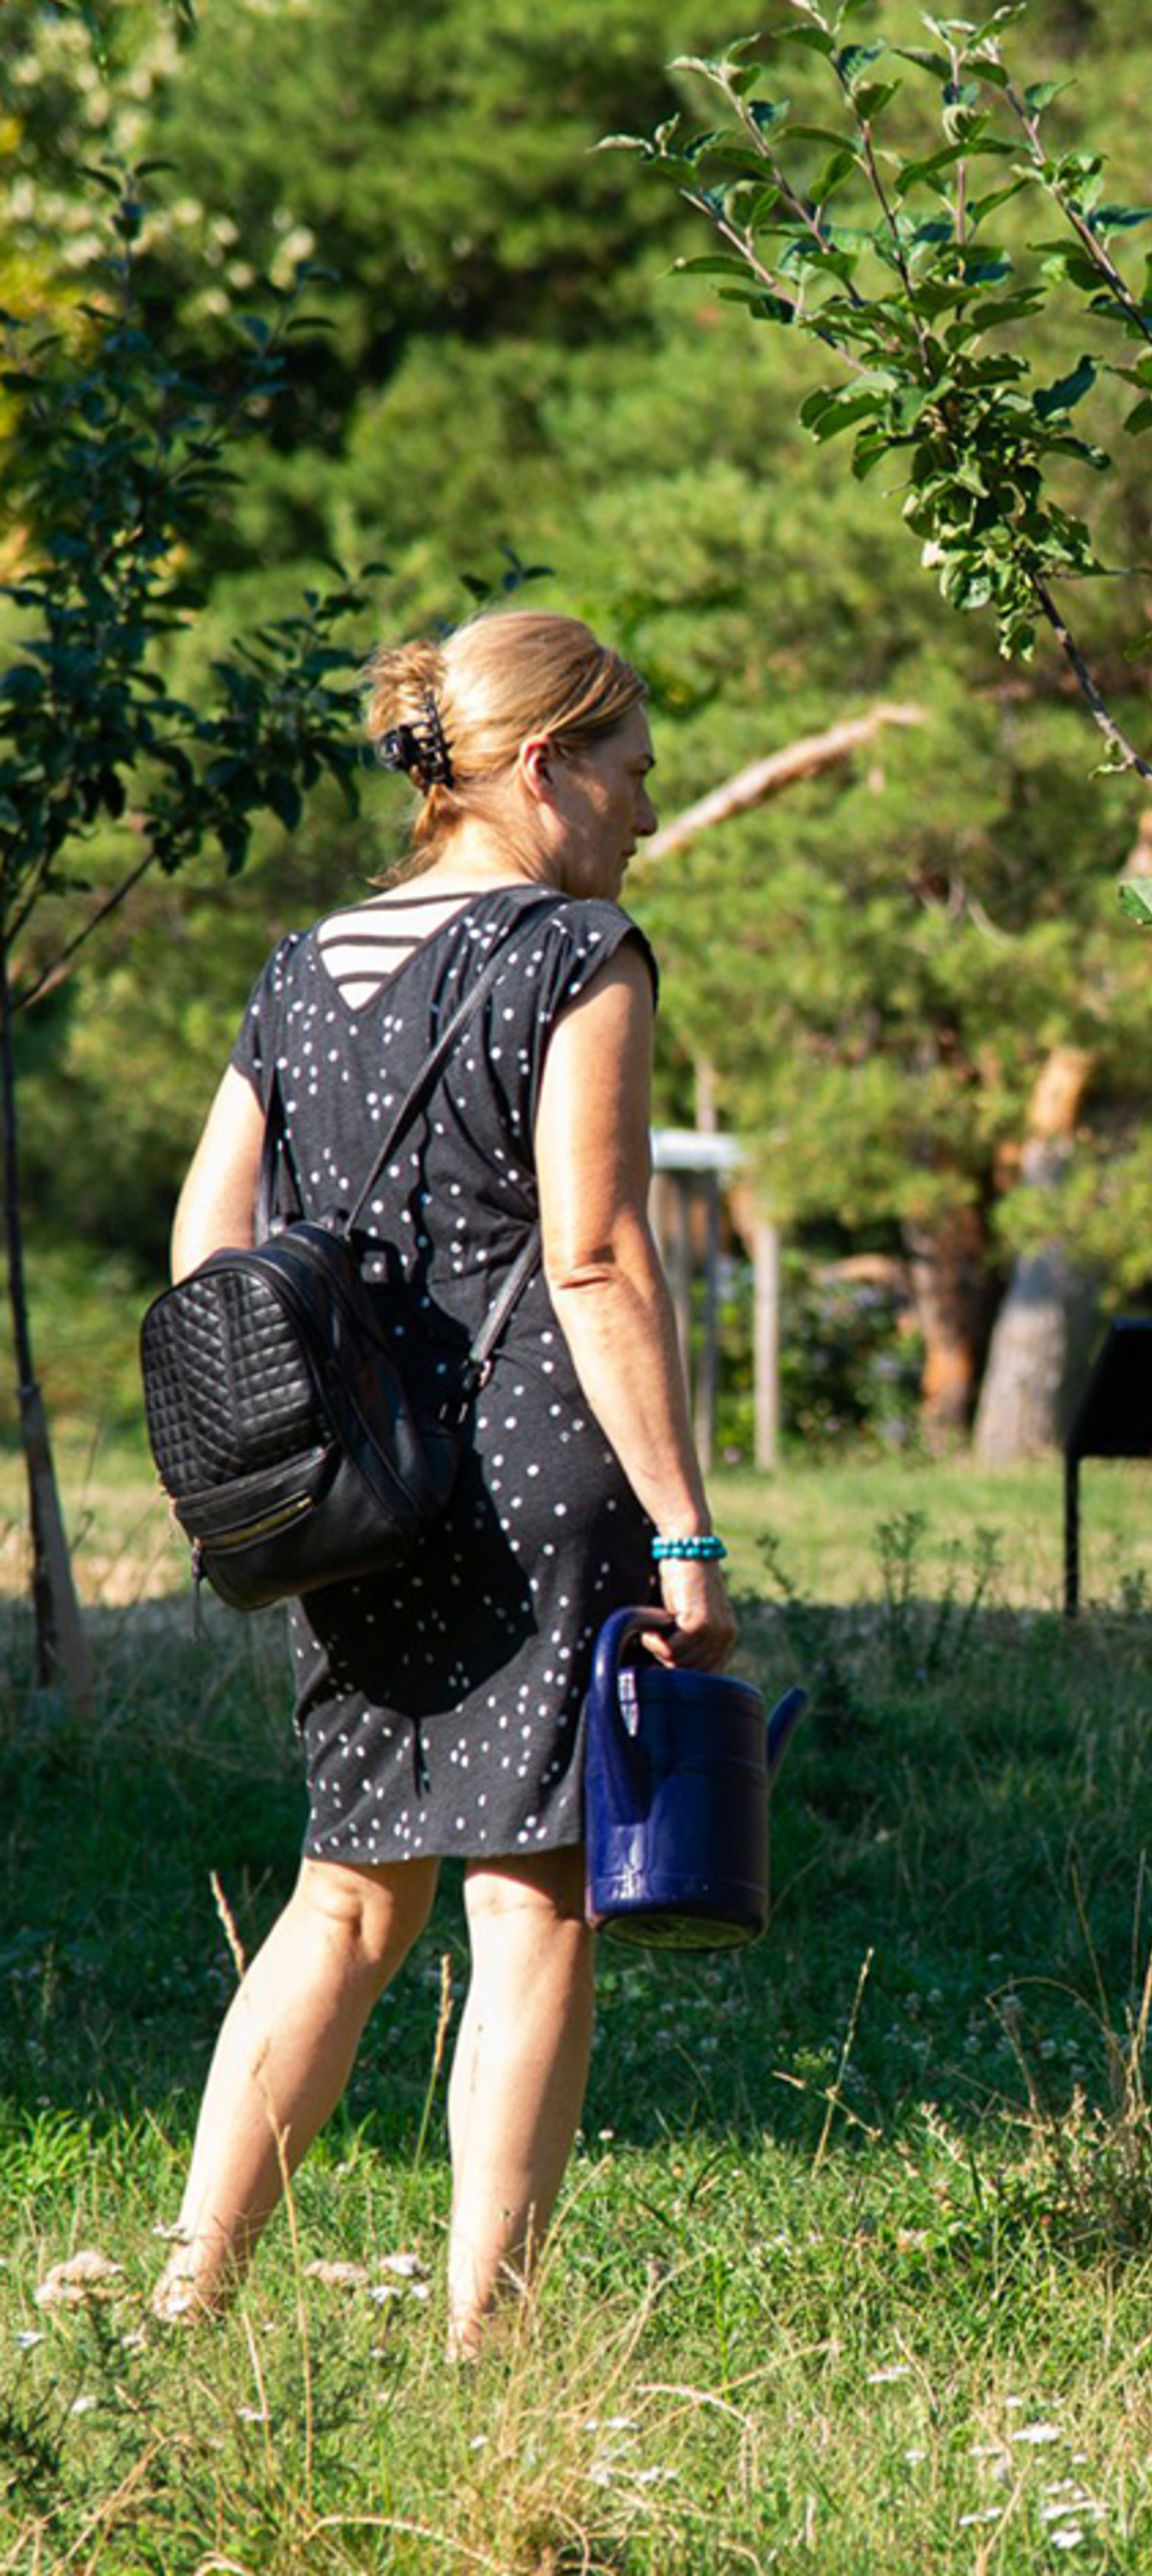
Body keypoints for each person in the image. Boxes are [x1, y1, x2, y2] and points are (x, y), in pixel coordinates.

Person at [150, 608, 737, 2355]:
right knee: (529, 1901)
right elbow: (601, 1256)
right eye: (630, 772)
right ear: (545, 768)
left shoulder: (301, 964)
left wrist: (275, 1462)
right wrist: (690, 1532)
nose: (644, 808)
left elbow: (207, 1245)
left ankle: (192, 2288)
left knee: (343, 1893)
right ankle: (488, 2336)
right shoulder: (579, 952)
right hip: (543, 1473)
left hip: (354, 1486)